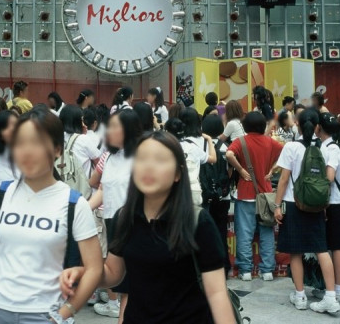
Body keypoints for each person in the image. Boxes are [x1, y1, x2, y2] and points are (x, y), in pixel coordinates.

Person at [60, 131, 235, 323]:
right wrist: (83, 273)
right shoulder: (125, 218)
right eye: (141, 160)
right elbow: (113, 273)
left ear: (178, 173)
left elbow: (217, 293)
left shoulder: (198, 222)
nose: (148, 167)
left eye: (160, 160)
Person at [0, 108, 102, 324]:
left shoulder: (74, 204)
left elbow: (94, 268)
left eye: (37, 143)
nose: (27, 152)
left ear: (57, 149)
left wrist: (65, 312)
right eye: (20, 143)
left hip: (45, 314)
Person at [273, 109, 340, 314]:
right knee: (321, 249)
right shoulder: (325, 148)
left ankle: (300, 295)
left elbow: (284, 179)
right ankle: (331, 297)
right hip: (316, 205)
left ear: (298, 125)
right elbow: (327, 179)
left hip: (293, 203)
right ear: (318, 126)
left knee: (295, 251)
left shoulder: (291, 147)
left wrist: (277, 206)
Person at [89, 109, 142, 320]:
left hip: (135, 224)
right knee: (122, 283)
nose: (109, 131)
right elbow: (103, 190)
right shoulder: (109, 157)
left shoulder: (140, 156)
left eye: (114, 127)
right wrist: (83, 208)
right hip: (112, 222)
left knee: (131, 282)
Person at [226, 112, 283, 281]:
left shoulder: (241, 141)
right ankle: (267, 270)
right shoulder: (270, 142)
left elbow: (229, 155)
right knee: (266, 232)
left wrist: (241, 170)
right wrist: (272, 170)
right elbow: (285, 153)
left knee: (244, 233)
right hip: (265, 194)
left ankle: (245, 271)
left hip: (245, 194)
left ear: (245, 126)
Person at [311, 113, 340, 304]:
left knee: (337, 247)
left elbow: (329, 176)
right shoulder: (329, 146)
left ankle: (338, 289)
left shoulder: (331, 149)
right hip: (337, 202)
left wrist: (323, 201)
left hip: (334, 202)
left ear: (319, 128)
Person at [201, 114, 232, 275]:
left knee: (205, 232)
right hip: (223, 196)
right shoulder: (226, 147)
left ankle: (208, 268)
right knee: (221, 231)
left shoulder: (201, 147)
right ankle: (224, 266)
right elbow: (230, 171)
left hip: (206, 195)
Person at [166, 118, 216, 207]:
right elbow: (213, 159)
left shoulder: (164, 148)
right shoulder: (192, 147)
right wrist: (209, 140)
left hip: (171, 191)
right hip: (193, 190)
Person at [60, 105, 102, 179]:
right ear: (76, 122)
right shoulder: (83, 139)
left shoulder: (58, 137)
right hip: (83, 183)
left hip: (64, 182)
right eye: (82, 120)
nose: (84, 124)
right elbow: (98, 162)